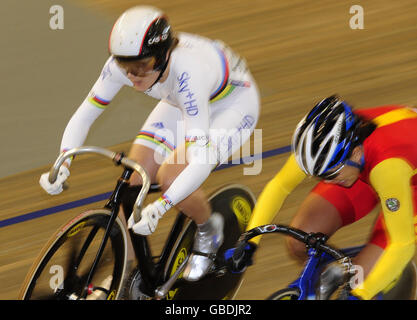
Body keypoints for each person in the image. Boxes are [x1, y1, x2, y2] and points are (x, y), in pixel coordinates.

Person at [39, 5, 260, 281]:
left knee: (170, 177)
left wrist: (163, 205)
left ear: (164, 55)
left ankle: (208, 228)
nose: (133, 76)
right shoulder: (127, 64)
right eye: (126, 67)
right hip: (180, 101)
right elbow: (85, 115)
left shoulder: (188, 74)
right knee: (134, 180)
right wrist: (64, 161)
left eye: (141, 67)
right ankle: (126, 273)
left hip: (231, 106)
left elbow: (200, 160)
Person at [227, 95, 417, 299]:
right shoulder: (321, 148)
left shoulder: (387, 168)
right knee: (300, 240)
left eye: (331, 174)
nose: (327, 180)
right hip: (362, 169)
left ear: (354, 153)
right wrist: (250, 240)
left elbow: (402, 244)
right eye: (321, 176)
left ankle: (370, 275)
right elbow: (280, 186)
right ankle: (331, 278)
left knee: (360, 284)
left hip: (404, 178)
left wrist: (362, 293)